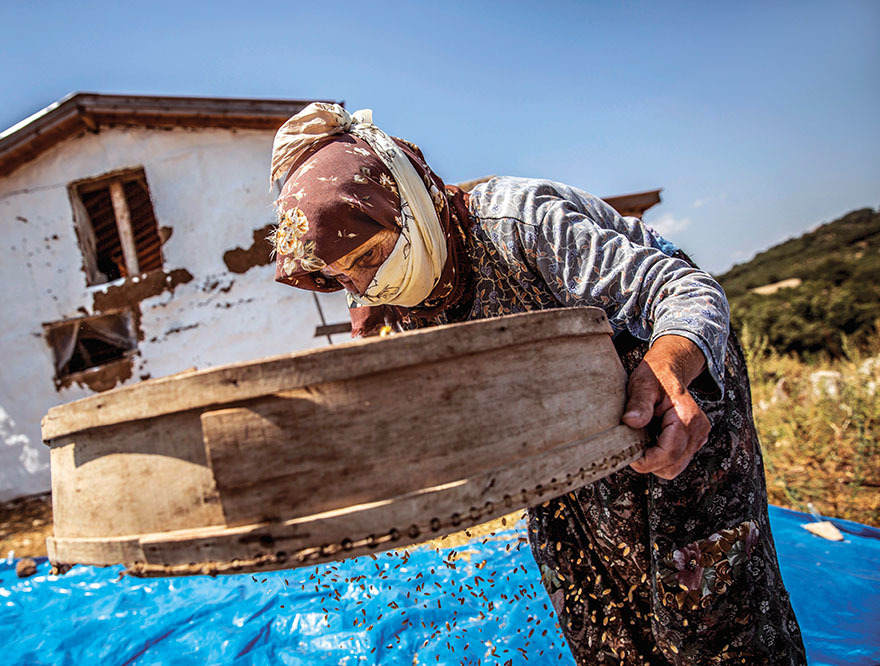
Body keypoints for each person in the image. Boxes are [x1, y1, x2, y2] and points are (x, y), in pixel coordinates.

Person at [268, 103, 806, 665]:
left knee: (702, 607)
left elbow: (688, 293)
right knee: (599, 609)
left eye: (371, 255)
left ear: (406, 206)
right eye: (341, 275)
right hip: (554, 438)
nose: (366, 282)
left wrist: (669, 372)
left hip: (671, 401)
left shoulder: (517, 224)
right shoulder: (381, 301)